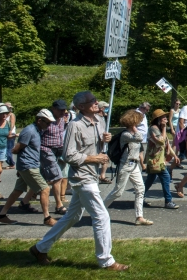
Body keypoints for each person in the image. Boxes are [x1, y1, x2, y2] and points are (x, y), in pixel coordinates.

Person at [30, 91, 129, 271]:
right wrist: (93, 159)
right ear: (81, 106)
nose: (95, 102)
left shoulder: (99, 121)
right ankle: (106, 261)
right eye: (91, 101)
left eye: (95, 100)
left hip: (92, 174)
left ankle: (40, 248)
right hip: (82, 176)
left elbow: (98, 145)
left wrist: (105, 139)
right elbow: (68, 155)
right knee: (101, 216)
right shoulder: (74, 126)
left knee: (73, 216)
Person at [0, 109, 58, 226]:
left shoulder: (38, 130)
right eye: (47, 122)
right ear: (39, 120)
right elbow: (17, 148)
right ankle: (47, 218)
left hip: (30, 165)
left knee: (17, 191)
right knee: (45, 189)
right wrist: (20, 166)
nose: (49, 125)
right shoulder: (29, 131)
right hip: (28, 165)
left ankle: (2, 215)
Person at [104, 110, 152, 225]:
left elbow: (139, 147)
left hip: (134, 165)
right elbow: (140, 138)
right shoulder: (126, 134)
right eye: (137, 121)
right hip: (125, 165)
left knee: (140, 189)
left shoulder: (132, 134)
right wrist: (134, 127)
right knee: (118, 192)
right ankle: (99, 211)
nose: (140, 122)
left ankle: (139, 217)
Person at [143, 109, 179, 209]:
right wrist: (164, 128)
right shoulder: (153, 129)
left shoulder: (159, 129)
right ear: (158, 119)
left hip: (158, 160)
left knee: (150, 179)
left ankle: (140, 198)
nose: (166, 119)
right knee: (166, 178)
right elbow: (161, 142)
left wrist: (175, 156)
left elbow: (167, 145)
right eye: (163, 117)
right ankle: (168, 201)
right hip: (155, 160)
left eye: (166, 117)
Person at [39, 99, 68, 215]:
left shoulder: (62, 120)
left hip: (58, 151)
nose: (62, 112)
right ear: (53, 109)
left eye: (64, 110)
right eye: (60, 110)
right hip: (46, 150)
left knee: (42, 177)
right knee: (57, 177)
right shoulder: (47, 120)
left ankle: (25, 201)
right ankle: (59, 205)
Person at [96, 101, 111, 184]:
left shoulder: (103, 117)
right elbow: (99, 131)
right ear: (101, 108)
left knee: (106, 159)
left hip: (104, 142)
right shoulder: (97, 118)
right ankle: (99, 175)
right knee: (101, 159)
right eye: (106, 108)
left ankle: (102, 175)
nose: (107, 109)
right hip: (101, 142)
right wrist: (102, 141)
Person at [4, 102, 17, 169]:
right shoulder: (4, 115)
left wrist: (10, 132)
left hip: (11, 133)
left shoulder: (11, 115)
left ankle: (11, 164)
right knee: (5, 149)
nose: (9, 109)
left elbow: (12, 124)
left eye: (10, 108)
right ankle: (9, 162)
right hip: (5, 134)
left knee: (8, 149)